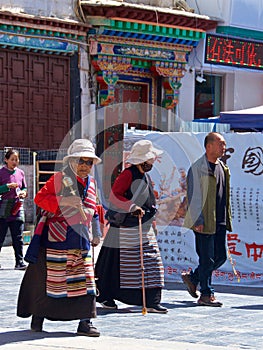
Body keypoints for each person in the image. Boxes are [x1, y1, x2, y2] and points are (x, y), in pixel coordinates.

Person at [17, 139, 102, 336]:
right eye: (82, 161)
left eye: (89, 162)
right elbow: (40, 199)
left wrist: (96, 233)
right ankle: (38, 317)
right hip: (56, 240)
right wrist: (64, 201)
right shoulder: (58, 179)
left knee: (87, 282)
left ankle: (85, 322)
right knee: (49, 281)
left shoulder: (92, 185)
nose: (85, 166)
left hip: (81, 242)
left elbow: (95, 210)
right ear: (72, 161)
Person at [95, 139, 168, 314]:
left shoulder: (145, 176)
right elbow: (114, 197)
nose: (153, 162)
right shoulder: (127, 175)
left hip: (144, 227)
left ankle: (151, 300)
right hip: (126, 228)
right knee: (119, 265)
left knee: (150, 262)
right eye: (151, 159)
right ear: (143, 160)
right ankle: (106, 295)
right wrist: (131, 207)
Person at [182, 132, 232, 307]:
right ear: (209, 146)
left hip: (219, 220)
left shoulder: (222, 168)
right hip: (203, 221)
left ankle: (193, 277)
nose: (223, 147)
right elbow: (193, 197)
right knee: (206, 258)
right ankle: (206, 294)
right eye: (221, 144)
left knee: (220, 257)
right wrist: (198, 219)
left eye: (224, 144)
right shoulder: (198, 168)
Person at [0, 149, 28, 270]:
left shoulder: (21, 173)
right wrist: (6, 187)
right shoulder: (1, 173)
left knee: (18, 237)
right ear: (6, 160)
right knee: (0, 237)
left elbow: (25, 188)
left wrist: (23, 192)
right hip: (4, 207)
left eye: (16, 159)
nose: (15, 162)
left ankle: (19, 262)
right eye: (12, 159)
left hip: (17, 207)